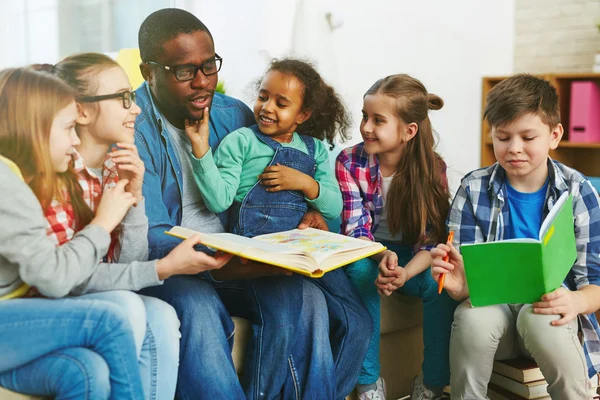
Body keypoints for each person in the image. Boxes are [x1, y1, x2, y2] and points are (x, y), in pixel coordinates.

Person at [134, 8, 371, 399]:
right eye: (184, 72)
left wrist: (308, 207)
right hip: (181, 265)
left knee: (309, 299)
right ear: (149, 72)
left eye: (209, 66)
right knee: (197, 308)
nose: (203, 83)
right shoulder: (135, 130)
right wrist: (225, 262)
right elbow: (151, 234)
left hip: (247, 252)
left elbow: (265, 182)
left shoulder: (232, 114)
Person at [34, 53, 232, 399]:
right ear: (81, 111)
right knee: (134, 310)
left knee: (163, 317)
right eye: (124, 99)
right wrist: (163, 267)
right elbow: (69, 280)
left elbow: (127, 266)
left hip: (100, 291)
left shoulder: (115, 167)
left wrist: (136, 200)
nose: (137, 108)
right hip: (51, 302)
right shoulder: (56, 177)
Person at [431, 74, 600, 399]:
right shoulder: (473, 188)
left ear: (554, 135)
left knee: (543, 318)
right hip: (495, 319)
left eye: (527, 137)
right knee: (472, 319)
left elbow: (595, 282)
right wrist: (457, 284)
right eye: (503, 137)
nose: (514, 148)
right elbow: (468, 285)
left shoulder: (578, 190)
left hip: (547, 317)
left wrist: (577, 300)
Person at [0, 66, 145, 400]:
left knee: (83, 370)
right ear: (34, 128)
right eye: (68, 129)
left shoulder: (17, 177)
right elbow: (54, 278)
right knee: (108, 320)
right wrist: (102, 223)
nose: (75, 140)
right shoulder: (7, 185)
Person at [336, 74, 458, 400]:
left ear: (409, 131)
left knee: (439, 283)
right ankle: (369, 385)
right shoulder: (349, 161)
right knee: (360, 274)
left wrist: (405, 272)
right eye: (365, 116)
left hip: (414, 255)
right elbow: (355, 228)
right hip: (368, 250)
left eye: (378, 120)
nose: (366, 127)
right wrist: (382, 259)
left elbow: (432, 241)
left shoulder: (433, 168)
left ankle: (431, 385)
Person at [185, 57, 346, 237]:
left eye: (281, 104)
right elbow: (218, 202)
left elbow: (334, 208)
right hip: (250, 247)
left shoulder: (315, 150)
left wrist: (305, 183)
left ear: (302, 115)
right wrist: (200, 150)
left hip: (296, 246)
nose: (267, 107)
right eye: (263, 97)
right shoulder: (241, 141)